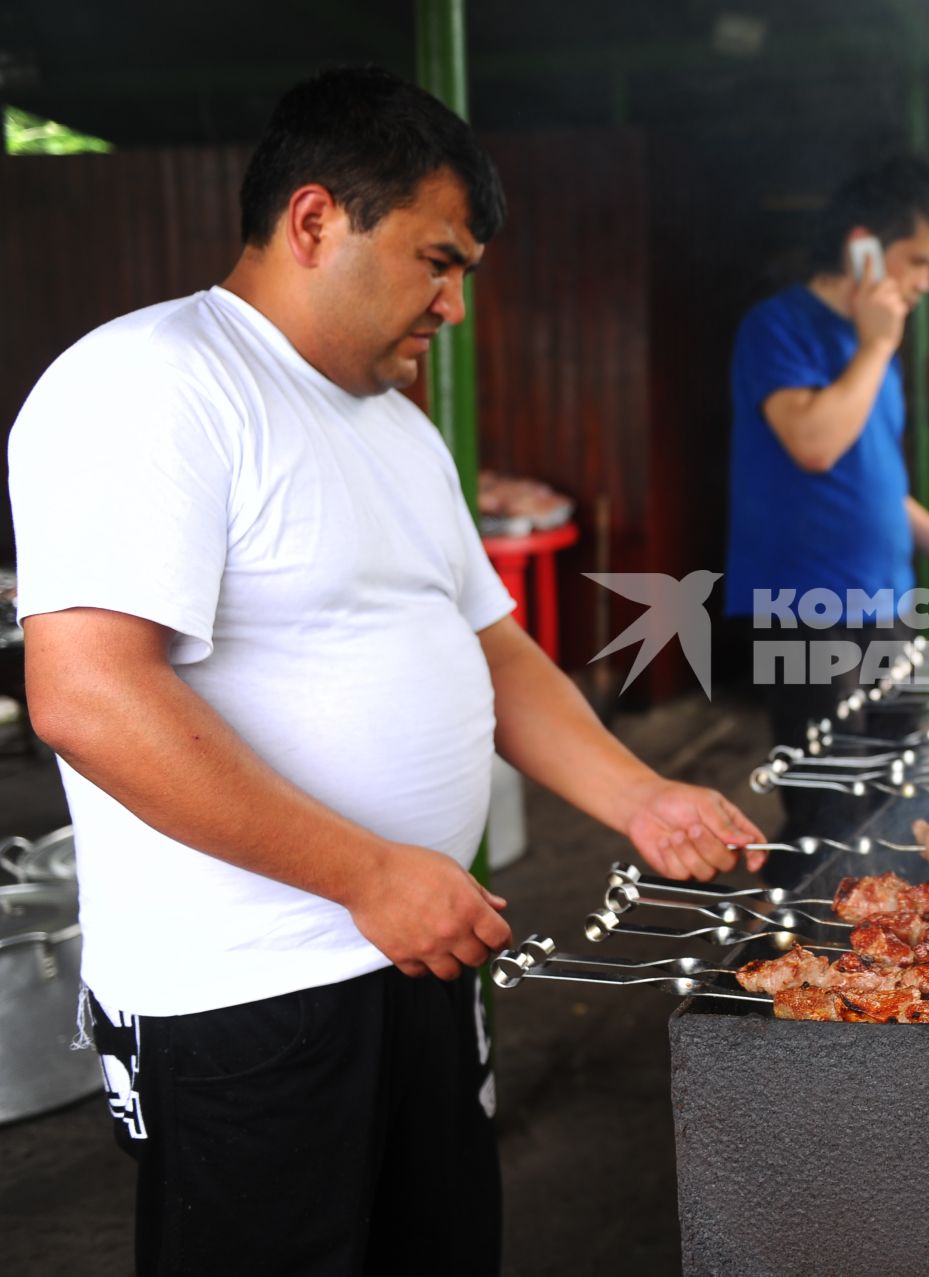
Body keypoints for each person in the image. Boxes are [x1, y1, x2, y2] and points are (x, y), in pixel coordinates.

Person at [6, 67, 763, 1275]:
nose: (454, 304)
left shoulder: (397, 426)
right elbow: (88, 695)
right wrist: (363, 872)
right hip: (247, 996)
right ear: (315, 221)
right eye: (438, 259)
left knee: (439, 1246)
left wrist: (639, 794)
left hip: (415, 949)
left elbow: (492, 644)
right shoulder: (151, 385)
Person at [724, 157, 929, 865]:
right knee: (829, 814)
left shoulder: (876, 353)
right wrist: (876, 343)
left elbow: (875, 485)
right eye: (917, 261)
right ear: (864, 244)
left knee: (894, 797)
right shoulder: (780, 327)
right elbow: (812, 443)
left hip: (888, 607)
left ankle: (871, 956)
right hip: (805, 613)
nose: (926, 282)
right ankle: (796, 960)